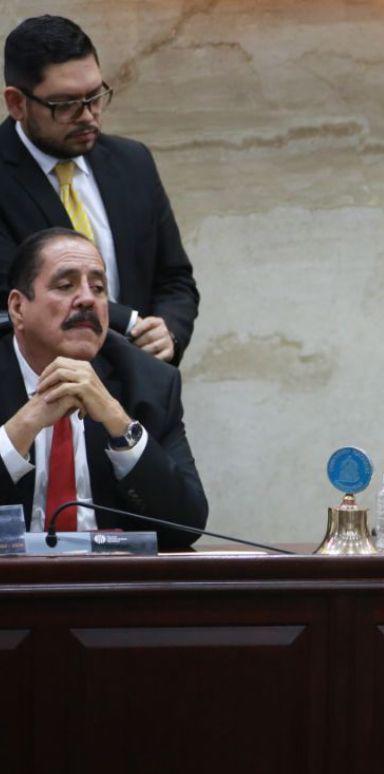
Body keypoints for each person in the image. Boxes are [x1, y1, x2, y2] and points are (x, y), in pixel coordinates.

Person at [0, 15, 198, 365]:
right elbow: (8, 296)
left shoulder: (132, 162)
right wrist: (132, 324)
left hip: (137, 386)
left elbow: (175, 278)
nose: (88, 115)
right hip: (38, 388)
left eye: (95, 96)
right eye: (65, 104)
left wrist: (168, 331)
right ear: (17, 103)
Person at [0, 227, 207, 548]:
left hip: (111, 577)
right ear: (17, 308)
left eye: (98, 288)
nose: (87, 299)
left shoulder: (148, 382)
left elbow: (186, 524)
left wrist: (117, 421)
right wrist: (26, 423)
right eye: (65, 285)